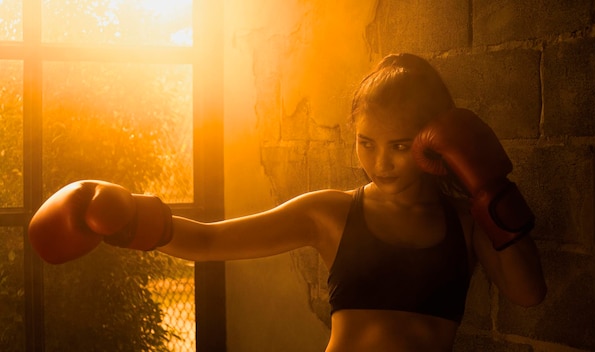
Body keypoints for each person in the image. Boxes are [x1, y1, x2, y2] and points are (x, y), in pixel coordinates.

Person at [29, 53, 547, 352]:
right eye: (367, 143)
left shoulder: (465, 220)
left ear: (433, 143)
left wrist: (489, 188)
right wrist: (128, 221)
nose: (381, 162)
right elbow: (210, 241)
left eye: (400, 146)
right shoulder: (330, 212)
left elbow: (527, 293)